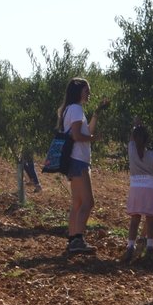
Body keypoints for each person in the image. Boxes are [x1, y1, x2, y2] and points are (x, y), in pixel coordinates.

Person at [59, 78, 108, 255]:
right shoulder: (76, 109)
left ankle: (73, 239)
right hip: (79, 160)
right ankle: (78, 239)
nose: (89, 94)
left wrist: (96, 113)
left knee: (78, 203)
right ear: (79, 91)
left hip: (75, 160)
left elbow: (86, 129)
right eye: (87, 90)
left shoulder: (71, 109)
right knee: (88, 202)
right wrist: (95, 139)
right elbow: (78, 136)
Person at [123, 124, 153, 262]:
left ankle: (130, 247)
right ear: (147, 140)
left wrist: (136, 123)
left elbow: (132, 136)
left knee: (134, 220)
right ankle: (149, 248)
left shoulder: (131, 150)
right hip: (150, 188)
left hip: (135, 188)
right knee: (150, 220)